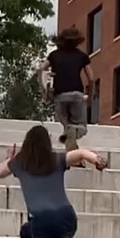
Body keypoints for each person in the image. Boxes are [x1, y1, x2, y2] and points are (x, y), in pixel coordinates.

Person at [38, 26, 95, 154]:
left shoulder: (54, 55)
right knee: (80, 127)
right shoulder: (82, 56)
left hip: (60, 95)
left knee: (66, 124)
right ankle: (71, 142)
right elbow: (91, 79)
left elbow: (41, 69)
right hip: (76, 95)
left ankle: (70, 143)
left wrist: (45, 91)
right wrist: (90, 96)